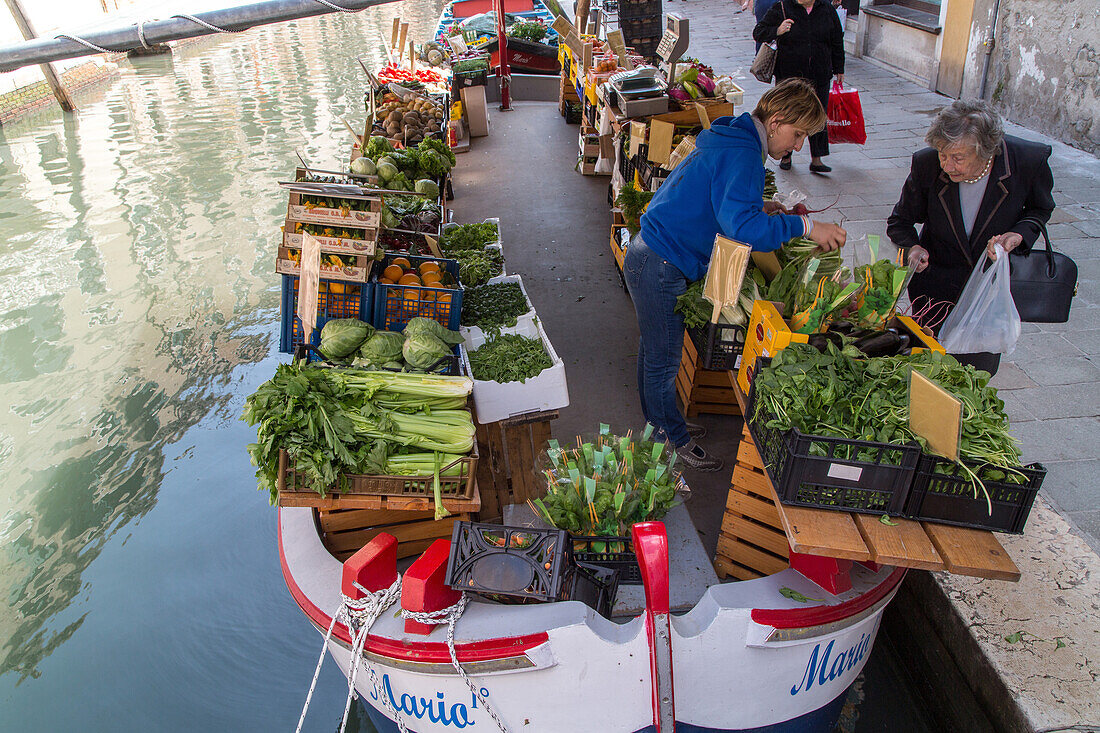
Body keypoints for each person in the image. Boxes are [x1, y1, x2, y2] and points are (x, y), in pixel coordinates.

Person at [624, 78, 847, 471]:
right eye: (798, 135)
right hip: (661, 264)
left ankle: (660, 423)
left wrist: (759, 204)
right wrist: (809, 229)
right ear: (776, 122)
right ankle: (669, 439)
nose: (797, 147)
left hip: (650, 254)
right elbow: (744, 231)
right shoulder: (745, 154)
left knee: (653, 353)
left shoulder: (732, 137)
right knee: (663, 361)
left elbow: (718, 198)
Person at [887, 99, 1055, 376]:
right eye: (942, 154)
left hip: (987, 294)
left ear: (986, 150)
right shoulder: (927, 163)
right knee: (927, 374)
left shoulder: (1027, 160)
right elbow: (900, 221)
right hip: (935, 290)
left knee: (975, 377)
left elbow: (1040, 208)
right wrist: (912, 247)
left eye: (958, 158)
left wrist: (1018, 234)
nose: (947, 165)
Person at [753, 0, 845, 173]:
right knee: (789, 116)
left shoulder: (826, 9)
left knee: (817, 115)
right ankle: (785, 155)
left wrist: (839, 67)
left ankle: (817, 158)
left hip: (819, 74)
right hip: (789, 76)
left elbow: (836, 40)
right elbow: (759, 32)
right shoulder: (782, 7)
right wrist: (777, 30)